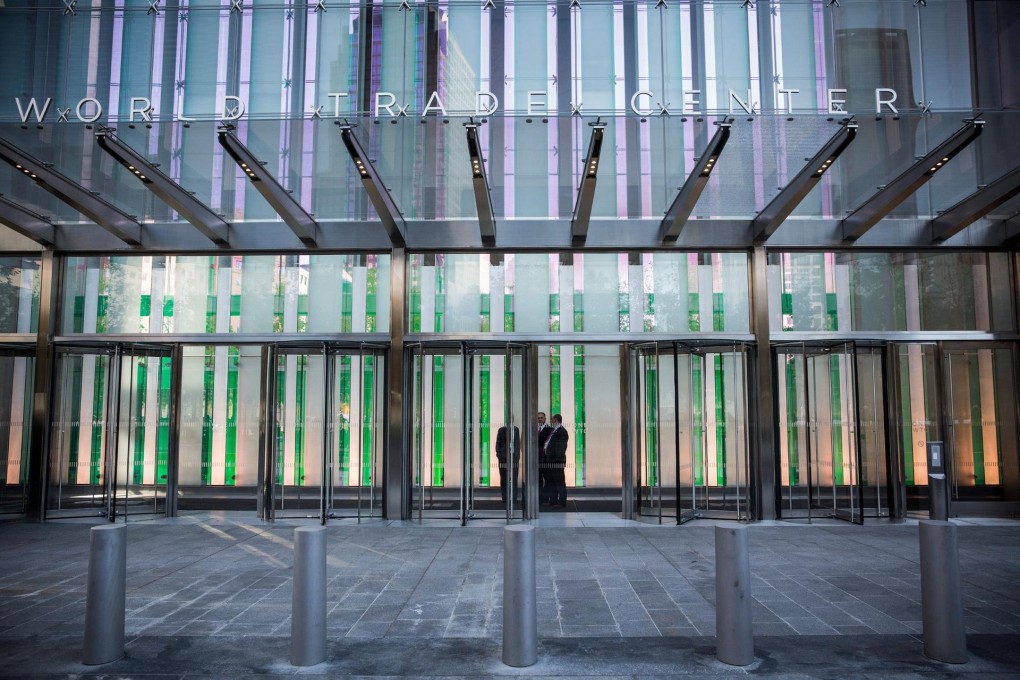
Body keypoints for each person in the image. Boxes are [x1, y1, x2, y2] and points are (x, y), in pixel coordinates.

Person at [545, 414, 569, 508]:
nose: (550, 421)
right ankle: (553, 501)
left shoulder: (562, 431)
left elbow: (561, 448)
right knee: (552, 482)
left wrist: (555, 459)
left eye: (552, 419)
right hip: (551, 461)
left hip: (557, 462)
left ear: (556, 420)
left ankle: (562, 502)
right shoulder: (554, 431)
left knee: (559, 482)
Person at [494, 423, 520, 504]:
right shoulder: (501, 430)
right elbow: (498, 443)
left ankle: (514, 498)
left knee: (514, 478)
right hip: (503, 458)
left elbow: (518, 443)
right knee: (504, 478)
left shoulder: (516, 429)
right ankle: (505, 498)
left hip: (514, 458)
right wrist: (499, 455)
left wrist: (517, 456)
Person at [536, 412, 554, 505]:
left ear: (545, 418)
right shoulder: (533, 430)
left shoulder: (550, 430)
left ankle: (546, 499)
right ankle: (539, 499)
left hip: (546, 459)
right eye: (538, 418)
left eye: (541, 418)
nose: (540, 419)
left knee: (547, 479)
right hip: (536, 459)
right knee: (538, 480)